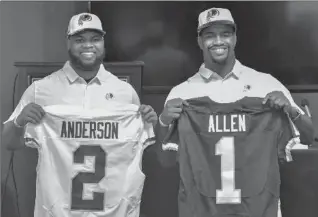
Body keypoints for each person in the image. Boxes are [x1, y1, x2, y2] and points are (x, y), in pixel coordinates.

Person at [157, 7, 314, 217]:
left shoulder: (266, 85)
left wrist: (291, 110)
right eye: (210, 36)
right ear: (199, 41)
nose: (218, 41)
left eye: (225, 34)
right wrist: (164, 121)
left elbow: (308, 137)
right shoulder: (182, 94)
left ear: (235, 38)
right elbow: (164, 160)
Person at [2, 12, 158, 217]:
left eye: (95, 39)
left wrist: (147, 120)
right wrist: (20, 121)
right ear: (68, 43)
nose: (88, 45)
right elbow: (8, 142)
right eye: (79, 40)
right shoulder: (41, 90)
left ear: (103, 43)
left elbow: (137, 148)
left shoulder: (125, 92)